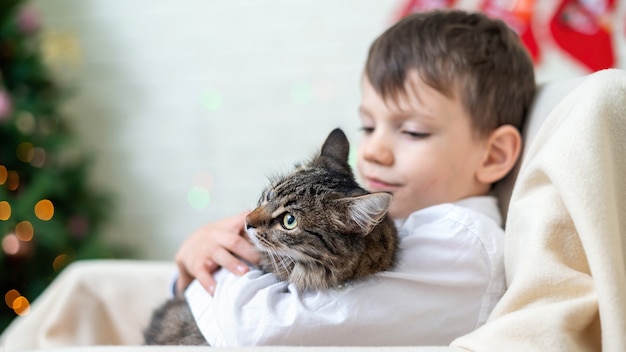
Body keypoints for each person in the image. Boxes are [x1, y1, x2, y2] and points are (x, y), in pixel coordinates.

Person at [174, 9, 535, 346]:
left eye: (412, 131)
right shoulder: (417, 223)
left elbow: (256, 328)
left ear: (494, 155)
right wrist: (196, 259)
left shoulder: (460, 245)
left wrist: (213, 271)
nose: (373, 151)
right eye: (368, 125)